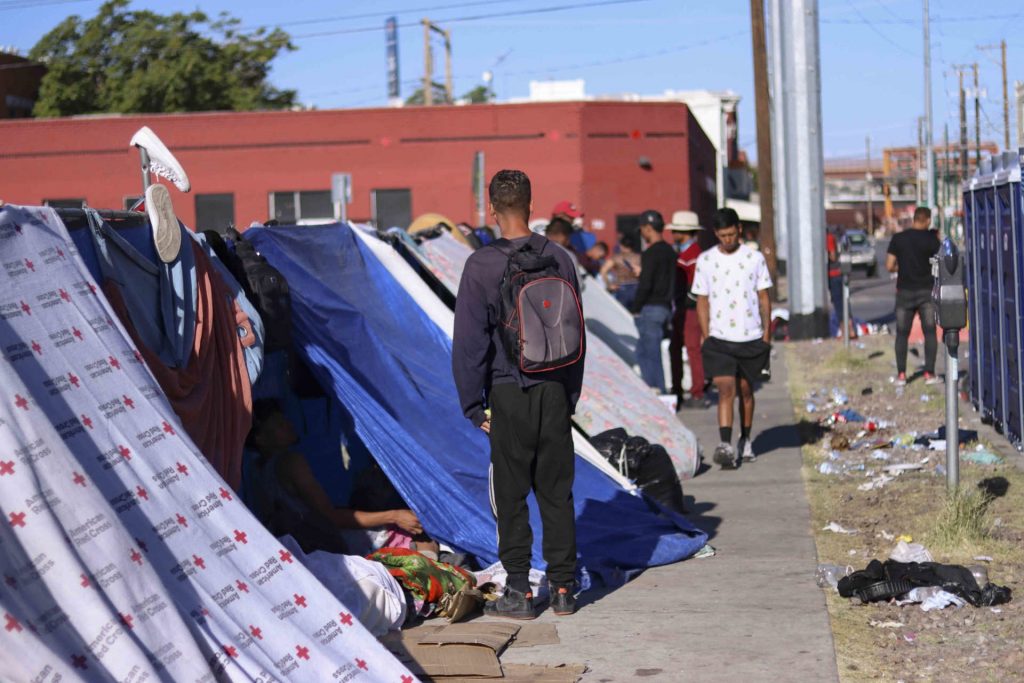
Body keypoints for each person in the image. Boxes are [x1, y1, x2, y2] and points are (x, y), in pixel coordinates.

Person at [453, 169, 585, 619]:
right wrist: (569, 395)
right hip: (554, 389)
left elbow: (469, 343)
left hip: (508, 392)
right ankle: (565, 589)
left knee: (510, 494)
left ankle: (519, 591)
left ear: (491, 208)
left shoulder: (482, 265)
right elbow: (576, 332)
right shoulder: (561, 258)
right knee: (556, 491)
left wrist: (473, 405)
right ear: (532, 203)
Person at [246, 400, 430, 556]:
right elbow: (330, 517)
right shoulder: (290, 461)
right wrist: (394, 516)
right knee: (424, 538)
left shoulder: (258, 471)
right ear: (261, 439)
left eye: (284, 419)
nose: (288, 424)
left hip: (307, 547)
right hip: (337, 544)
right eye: (278, 424)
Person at [692, 208, 773, 468]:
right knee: (725, 389)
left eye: (731, 234)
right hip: (719, 337)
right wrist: (706, 334)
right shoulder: (705, 261)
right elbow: (701, 301)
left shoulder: (754, 258)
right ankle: (725, 444)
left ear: (739, 229)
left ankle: (745, 439)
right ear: (716, 233)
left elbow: (763, 298)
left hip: (750, 336)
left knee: (746, 391)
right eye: (722, 235)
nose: (727, 239)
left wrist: (767, 333)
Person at [886, 206, 940, 385]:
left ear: (914, 218)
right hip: (926, 292)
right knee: (930, 332)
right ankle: (929, 374)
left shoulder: (899, 238)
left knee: (902, 334)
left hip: (905, 292)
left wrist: (902, 268)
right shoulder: (932, 240)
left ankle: (901, 375)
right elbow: (941, 264)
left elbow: (889, 265)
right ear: (927, 220)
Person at [666, 211, 708, 409]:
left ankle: (697, 392)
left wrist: (687, 301)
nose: (673, 233)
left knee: (692, 349)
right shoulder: (687, 254)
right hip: (682, 308)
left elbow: (696, 286)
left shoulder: (693, 256)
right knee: (676, 348)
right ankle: (679, 389)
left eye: (675, 230)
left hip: (689, 309)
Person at [630, 210, 676, 394]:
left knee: (648, 354)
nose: (642, 234)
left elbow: (646, 284)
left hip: (650, 307)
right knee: (648, 350)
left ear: (648, 228)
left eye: (642, 229)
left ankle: (656, 390)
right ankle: (658, 389)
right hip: (665, 306)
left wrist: (635, 307)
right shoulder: (670, 252)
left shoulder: (650, 253)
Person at [826, 227, 857, 339]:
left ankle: (847, 332)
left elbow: (833, 256)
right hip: (838, 273)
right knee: (843, 303)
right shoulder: (837, 237)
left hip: (833, 274)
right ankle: (849, 331)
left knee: (839, 304)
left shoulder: (828, 238)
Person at [600, 234, 642, 308]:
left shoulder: (616, 258)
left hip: (622, 288)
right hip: (637, 288)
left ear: (621, 245)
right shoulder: (639, 258)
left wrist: (608, 284)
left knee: (622, 315)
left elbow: (603, 271)